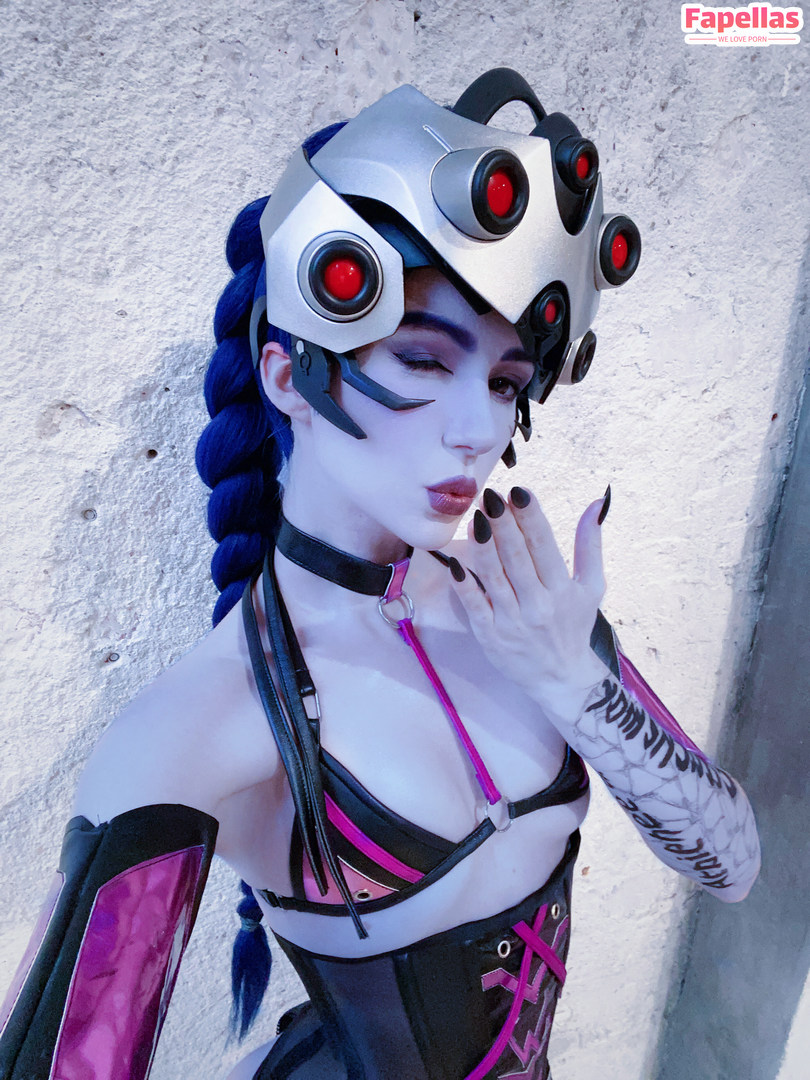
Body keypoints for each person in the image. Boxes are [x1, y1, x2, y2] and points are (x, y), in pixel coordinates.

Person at [0, 69, 760, 1080]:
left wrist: (574, 680)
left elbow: (732, 865)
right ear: (290, 376)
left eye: (505, 380)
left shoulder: (521, 605)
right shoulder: (197, 727)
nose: (479, 428)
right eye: (422, 361)